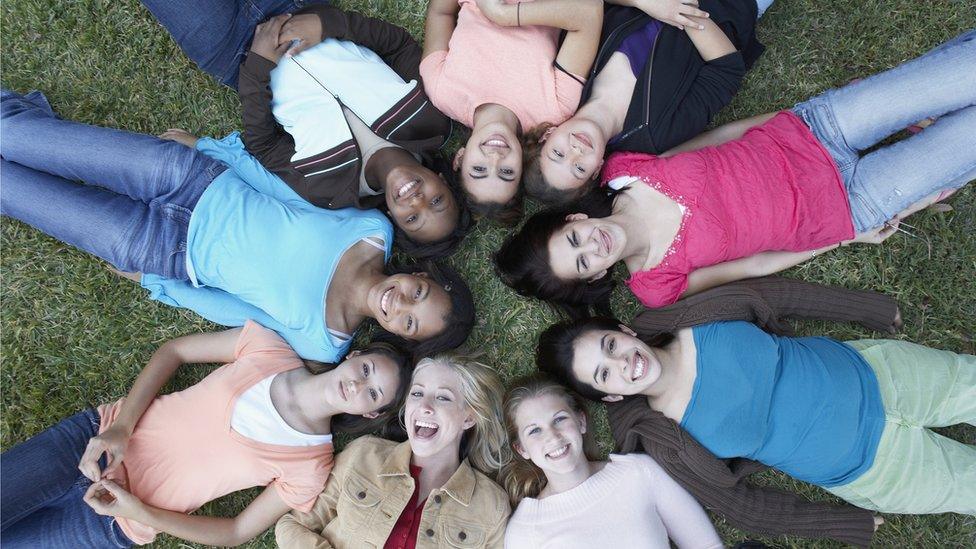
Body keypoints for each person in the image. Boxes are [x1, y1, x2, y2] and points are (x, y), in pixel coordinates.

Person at [495, 30, 976, 310]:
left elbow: (719, 139)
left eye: (574, 240)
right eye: (583, 263)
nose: (592, 248)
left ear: (575, 220)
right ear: (593, 278)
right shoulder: (654, 284)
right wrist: (848, 236)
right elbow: (754, 266)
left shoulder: (624, 171)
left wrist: (795, 115)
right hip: (851, 205)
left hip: (816, 130)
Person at [0, 90, 475, 363]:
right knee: (12, 136)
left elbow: (237, 313)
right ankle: (24, 118)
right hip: (190, 180)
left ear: (401, 337)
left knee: (11, 190)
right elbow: (282, 192)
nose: (401, 304)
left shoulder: (324, 342)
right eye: (419, 293)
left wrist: (157, 284)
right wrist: (210, 148)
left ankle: (30, 118)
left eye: (409, 323)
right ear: (422, 276)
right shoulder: (372, 229)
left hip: (161, 251)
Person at [0, 321, 411, 548]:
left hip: (111, 522)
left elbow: (235, 532)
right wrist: (122, 429)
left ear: (370, 412)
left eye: (373, 393)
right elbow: (174, 351)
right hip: (92, 439)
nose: (359, 385)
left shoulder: (311, 466)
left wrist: (139, 512)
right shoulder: (269, 349)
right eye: (367, 370)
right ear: (355, 356)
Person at [537, 317, 976, 518]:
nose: (622, 362)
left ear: (625, 331)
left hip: (880, 373)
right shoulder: (668, 439)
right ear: (611, 396)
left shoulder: (694, 317)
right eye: (604, 374)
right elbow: (740, 504)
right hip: (877, 468)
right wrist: (841, 523)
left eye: (611, 345)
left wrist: (868, 308)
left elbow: (773, 296)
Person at [141, 1, 468, 258]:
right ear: (443, 180)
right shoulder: (432, 117)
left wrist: (257, 64)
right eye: (436, 201)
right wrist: (326, 24)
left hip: (232, 50)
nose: (416, 201)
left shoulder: (331, 191)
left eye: (412, 218)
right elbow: (397, 46)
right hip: (297, 6)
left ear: (395, 219)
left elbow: (265, 146)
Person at [522, 0, 769, 204]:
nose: (575, 152)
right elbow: (726, 71)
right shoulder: (655, 134)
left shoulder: (570, 80)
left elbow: (588, 4)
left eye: (558, 153)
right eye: (579, 169)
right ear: (596, 169)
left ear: (548, 134)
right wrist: (684, 12)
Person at [275, 354, 512, 548]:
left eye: (443, 398)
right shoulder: (364, 455)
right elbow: (293, 525)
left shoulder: (491, 506)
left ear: (469, 418)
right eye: (417, 393)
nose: (424, 406)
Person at [421, 0, 604, 225]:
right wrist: (504, 15)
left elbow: (440, 12)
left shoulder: (441, 91)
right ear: (522, 164)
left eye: (479, 169)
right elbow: (588, 14)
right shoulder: (553, 110)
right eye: (507, 172)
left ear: (461, 157)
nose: (496, 159)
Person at [500, 377, 722, 549]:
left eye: (559, 419)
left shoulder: (638, 472)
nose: (552, 437)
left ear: (581, 421)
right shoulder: (525, 532)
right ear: (522, 449)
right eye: (535, 431)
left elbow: (706, 545)